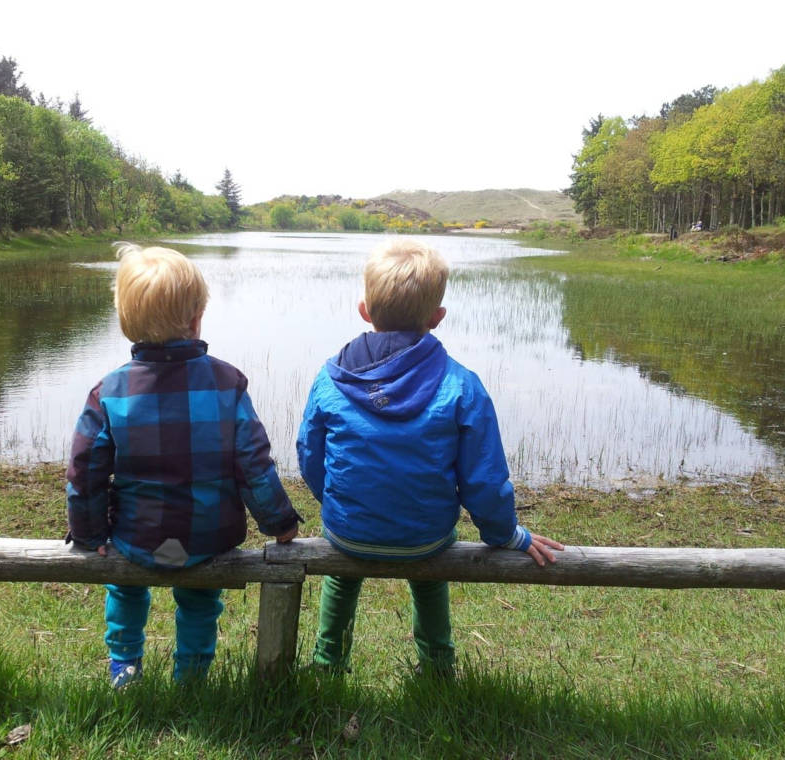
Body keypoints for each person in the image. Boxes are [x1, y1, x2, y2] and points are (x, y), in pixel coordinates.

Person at [296, 238, 564, 675]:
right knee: (428, 579)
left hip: (348, 532)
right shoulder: (462, 385)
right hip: (426, 538)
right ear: (437, 318)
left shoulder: (330, 379)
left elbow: (309, 455)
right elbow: (484, 481)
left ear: (364, 310)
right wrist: (507, 535)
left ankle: (328, 665)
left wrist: (336, 504)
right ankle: (438, 667)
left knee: (341, 579)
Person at [65, 243, 301, 689]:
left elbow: (85, 471)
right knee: (197, 600)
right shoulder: (227, 383)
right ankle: (191, 677)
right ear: (196, 320)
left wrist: (90, 534)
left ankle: (125, 668)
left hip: (136, 536)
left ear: (126, 322)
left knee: (126, 588)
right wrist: (280, 524)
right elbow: (254, 464)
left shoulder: (110, 391)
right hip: (207, 537)